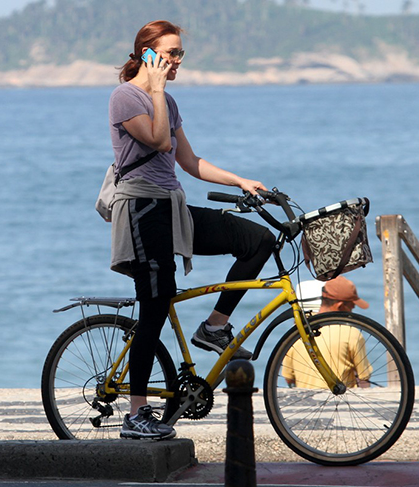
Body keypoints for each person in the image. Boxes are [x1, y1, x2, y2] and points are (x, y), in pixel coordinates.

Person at [108, 20, 275, 440]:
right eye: (171, 53)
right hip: (143, 211)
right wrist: (157, 89)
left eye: (181, 53)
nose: (178, 60)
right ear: (147, 53)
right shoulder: (125, 97)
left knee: (258, 241)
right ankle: (136, 412)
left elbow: (189, 162)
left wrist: (239, 180)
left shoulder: (170, 101)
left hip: (173, 208)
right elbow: (159, 141)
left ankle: (215, 326)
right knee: (156, 305)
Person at [282, 276, 373, 389]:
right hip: (343, 403)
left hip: (306, 401)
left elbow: (288, 378)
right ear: (340, 305)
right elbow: (364, 378)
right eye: (351, 305)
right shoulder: (351, 333)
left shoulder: (298, 332)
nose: (354, 307)